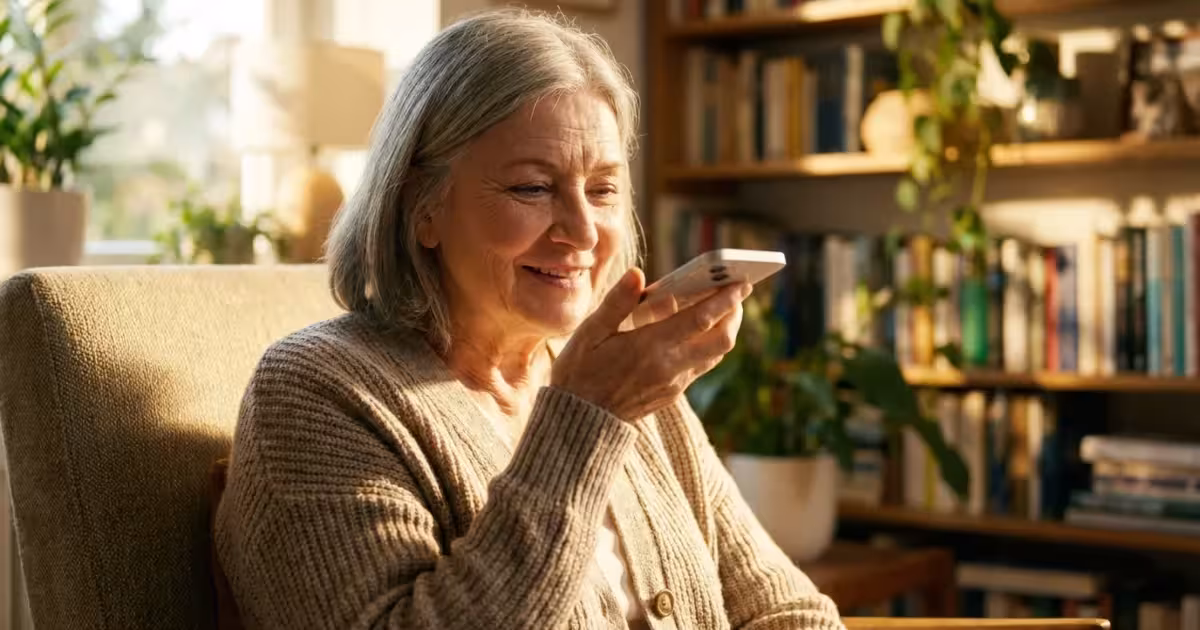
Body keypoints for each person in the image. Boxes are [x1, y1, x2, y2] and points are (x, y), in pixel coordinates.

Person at [214, 9, 845, 630]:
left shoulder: (630, 378)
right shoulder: (314, 394)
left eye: (602, 190)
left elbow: (786, 608)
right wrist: (585, 422)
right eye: (531, 189)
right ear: (421, 207)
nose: (582, 233)